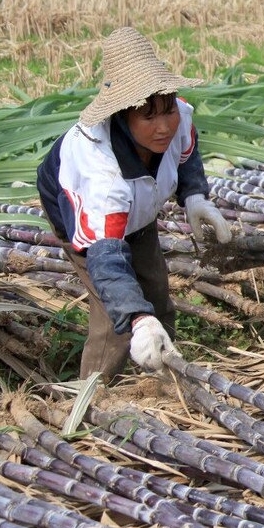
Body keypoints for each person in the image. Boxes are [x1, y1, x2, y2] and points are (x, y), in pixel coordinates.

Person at [36, 27, 231, 381]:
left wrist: (194, 196)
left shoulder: (179, 117)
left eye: (167, 111)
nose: (163, 127)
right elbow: (106, 257)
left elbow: (186, 153)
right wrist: (136, 320)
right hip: (81, 214)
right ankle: (94, 397)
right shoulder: (100, 173)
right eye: (148, 116)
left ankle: (162, 376)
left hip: (136, 212)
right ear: (123, 116)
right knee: (116, 321)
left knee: (155, 292)